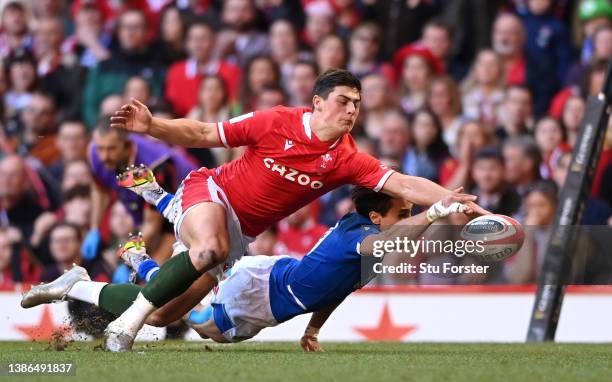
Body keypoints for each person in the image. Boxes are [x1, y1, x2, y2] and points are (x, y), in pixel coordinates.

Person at [95, 69, 486, 351]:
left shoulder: (347, 159)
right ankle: (126, 326)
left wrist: (449, 198)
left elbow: (404, 183)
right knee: (208, 250)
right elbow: (203, 133)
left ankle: (76, 285)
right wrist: (152, 126)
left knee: (165, 315)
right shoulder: (275, 121)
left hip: (241, 231)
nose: (351, 111)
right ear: (317, 103)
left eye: (357, 104)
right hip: (211, 190)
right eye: (343, 101)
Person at [21, 186, 469, 350]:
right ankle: (83, 283)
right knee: (167, 315)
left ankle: (138, 265)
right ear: (378, 218)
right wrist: (433, 213)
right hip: (260, 290)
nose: (411, 215)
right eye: (404, 210)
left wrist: (313, 330)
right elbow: (393, 238)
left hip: (274, 289)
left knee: (171, 310)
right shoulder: (363, 238)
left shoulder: (368, 239)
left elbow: (339, 288)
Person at [82, 119, 195, 261]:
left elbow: (153, 224)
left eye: (111, 149)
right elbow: (100, 189)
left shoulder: (156, 166)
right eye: (100, 148)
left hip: (185, 209)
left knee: (159, 273)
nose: (104, 156)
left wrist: (127, 260)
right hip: (148, 211)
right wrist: (94, 229)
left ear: (127, 145)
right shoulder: (95, 153)